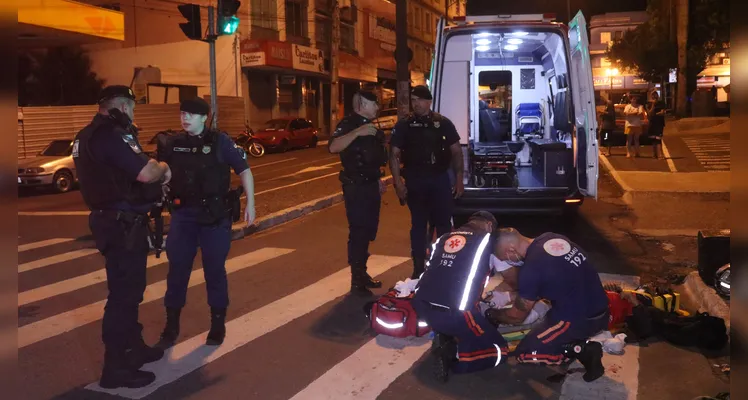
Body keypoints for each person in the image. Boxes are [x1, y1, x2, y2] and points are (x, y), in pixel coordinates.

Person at [73, 85, 171, 388]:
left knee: (129, 292)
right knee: (123, 297)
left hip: (112, 222)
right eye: (133, 108)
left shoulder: (86, 135)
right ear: (124, 107)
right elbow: (144, 173)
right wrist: (164, 168)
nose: (133, 113)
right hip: (121, 225)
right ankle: (115, 368)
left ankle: (134, 348)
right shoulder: (110, 135)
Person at [156, 97, 256, 348]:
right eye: (182, 113)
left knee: (214, 271)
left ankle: (217, 324)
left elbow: (244, 170)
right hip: (184, 216)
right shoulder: (173, 143)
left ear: (204, 118)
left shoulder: (219, 141)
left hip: (214, 217)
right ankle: (171, 325)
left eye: (191, 113)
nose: (185, 117)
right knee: (177, 271)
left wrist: (251, 204)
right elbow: (161, 173)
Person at [486, 228, 609, 382]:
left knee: (526, 353)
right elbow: (552, 279)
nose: (507, 261)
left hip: (578, 319)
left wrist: (493, 315)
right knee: (546, 323)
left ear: (511, 249)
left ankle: (581, 350)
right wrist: (509, 295)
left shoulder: (531, 269)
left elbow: (517, 317)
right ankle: (569, 343)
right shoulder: (552, 238)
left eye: (504, 257)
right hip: (600, 305)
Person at [411, 211, 507, 382]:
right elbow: (511, 277)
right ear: (489, 226)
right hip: (457, 314)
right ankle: (453, 355)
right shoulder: (488, 241)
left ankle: (445, 334)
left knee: (463, 316)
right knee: (500, 350)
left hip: (422, 307)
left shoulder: (443, 238)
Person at [389, 85, 464, 279]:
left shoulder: (443, 123)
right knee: (419, 225)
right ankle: (418, 267)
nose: (416, 104)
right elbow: (394, 154)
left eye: (420, 100)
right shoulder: (404, 125)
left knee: (443, 225)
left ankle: (444, 265)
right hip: (415, 180)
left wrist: (459, 179)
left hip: (439, 178)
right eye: (413, 101)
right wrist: (398, 183)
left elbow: (456, 151)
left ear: (429, 101)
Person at [328, 90, 388, 295]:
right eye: (374, 104)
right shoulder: (349, 124)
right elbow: (333, 147)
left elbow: (372, 157)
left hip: (371, 185)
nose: (378, 108)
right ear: (362, 104)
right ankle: (357, 280)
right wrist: (357, 132)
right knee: (359, 231)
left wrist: (378, 179)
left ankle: (362, 273)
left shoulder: (372, 126)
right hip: (356, 187)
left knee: (369, 231)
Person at [647, 91, 667, 159]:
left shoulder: (661, 103)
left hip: (659, 123)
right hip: (652, 123)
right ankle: (654, 154)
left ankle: (660, 154)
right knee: (653, 139)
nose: (654, 97)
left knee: (658, 139)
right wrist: (653, 105)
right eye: (653, 95)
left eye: (655, 95)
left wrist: (658, 113)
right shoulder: (649, 104)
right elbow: (650, 113)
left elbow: (663, 112)